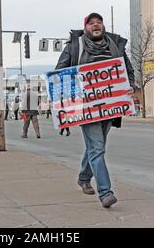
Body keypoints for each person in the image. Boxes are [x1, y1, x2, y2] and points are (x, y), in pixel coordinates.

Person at [55, 13, 135, 208]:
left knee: (96, 147)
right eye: (91, 23)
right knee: (97, 147)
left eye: (99, 22)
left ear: (103, 26)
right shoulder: (75, 46)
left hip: (111, 107)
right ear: (86, 28)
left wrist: (130, 85)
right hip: (86, 108)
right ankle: (105, 193)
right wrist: (67, 105)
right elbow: (60, 74)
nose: (96, 25)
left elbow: (128, 70)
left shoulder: (115, 46)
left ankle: (84, 177)